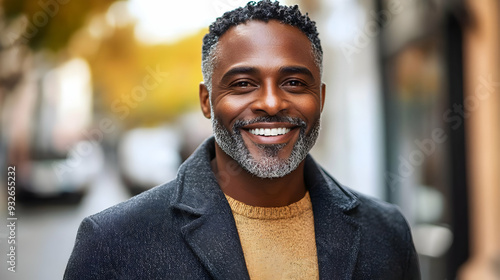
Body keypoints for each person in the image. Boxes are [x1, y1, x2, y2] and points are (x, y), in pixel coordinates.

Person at [64, 1, 420, 279]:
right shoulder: (113, 242)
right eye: (243, 84)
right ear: (207, 101)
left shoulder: (386, 232)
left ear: (321, 99)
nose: (270, 102)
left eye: (294, 83)